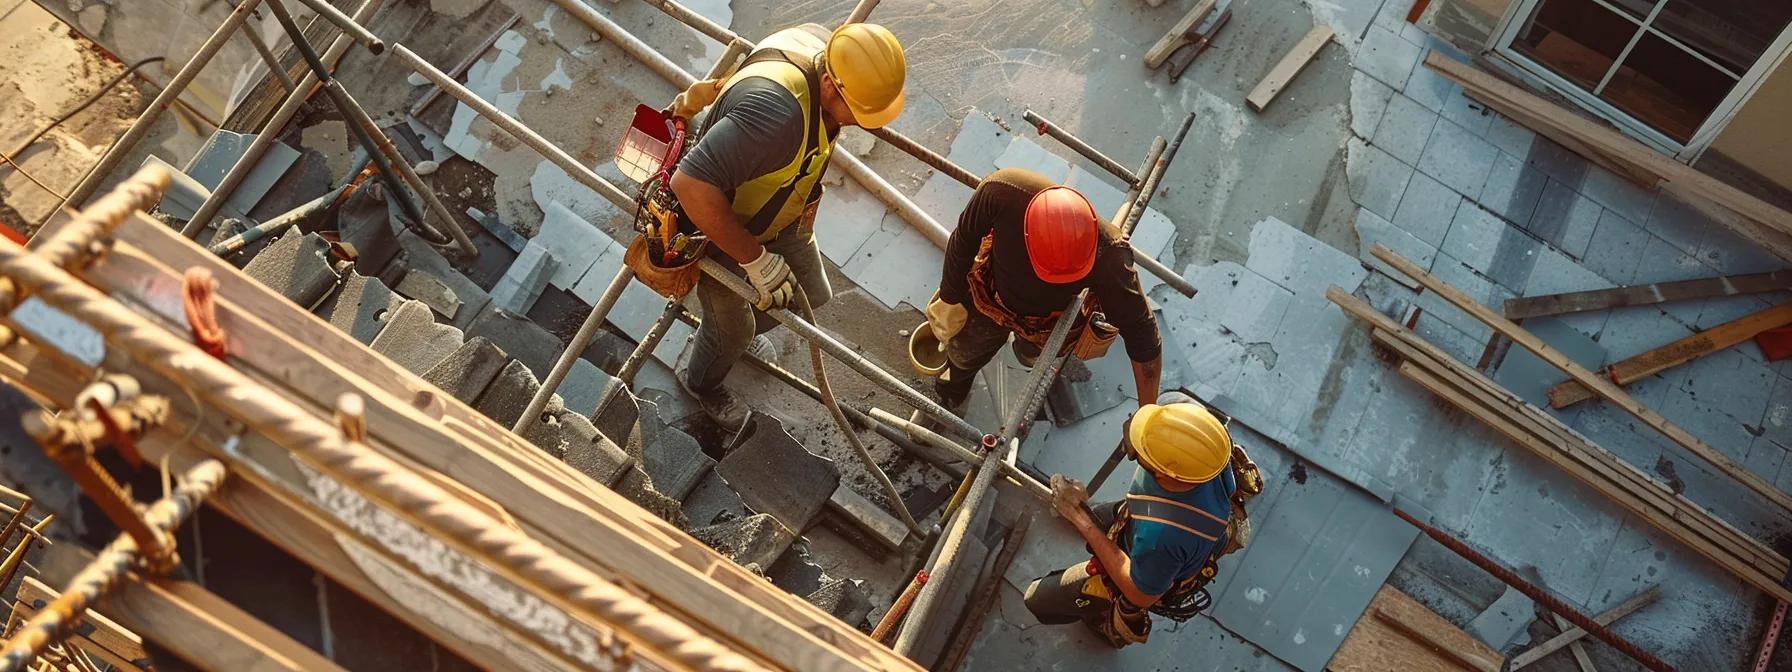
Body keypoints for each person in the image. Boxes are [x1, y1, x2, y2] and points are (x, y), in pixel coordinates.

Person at [668, 22, 908, 431]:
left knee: (812, 293)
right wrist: (755, 261)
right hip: (718, 230)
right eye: (861, 112)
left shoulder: (817, 42)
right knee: (735, 329)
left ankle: (726, 342)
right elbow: (688, 185)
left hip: (777, 213)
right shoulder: (776, 118)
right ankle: (702, 382)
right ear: (831, 85)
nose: (867, 123)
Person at [1023, 392, 1256, 648]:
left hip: (1149, 567)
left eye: (1144, 447)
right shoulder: (1199, 434)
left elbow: (1141, 594)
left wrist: (1081, 520)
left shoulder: (1163, 537)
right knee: (1100, 518)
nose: (1136, 434)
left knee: (1038, 599)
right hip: (1139, 514)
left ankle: (1107, 626)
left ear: (1169, 472)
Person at [923, 167, 1161, 415]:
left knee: (1030, 354)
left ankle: (1026, 352)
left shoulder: (1110, 257)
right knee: (963, 355)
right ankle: (952, 392)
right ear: (1027, 236)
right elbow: (964, 238)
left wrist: (1147, 414)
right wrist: (949, 296)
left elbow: (1143, 337)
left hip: (1047, 321)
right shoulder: (1003, 193)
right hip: (992, 294)